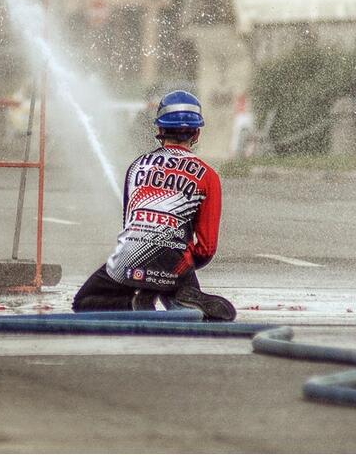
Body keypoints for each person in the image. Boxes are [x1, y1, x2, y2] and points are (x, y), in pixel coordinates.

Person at [72, 90, 235, 319]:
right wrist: (178, 271)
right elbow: (206, 248)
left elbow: (130, 226)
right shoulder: (208, 176)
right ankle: (182, 297)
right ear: (196, 133)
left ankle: (134, 304)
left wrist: (146, 273)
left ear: (159, 130)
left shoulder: (137, 167)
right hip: (177, 266)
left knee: (84, 303)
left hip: (131, 262)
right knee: (188, 302)